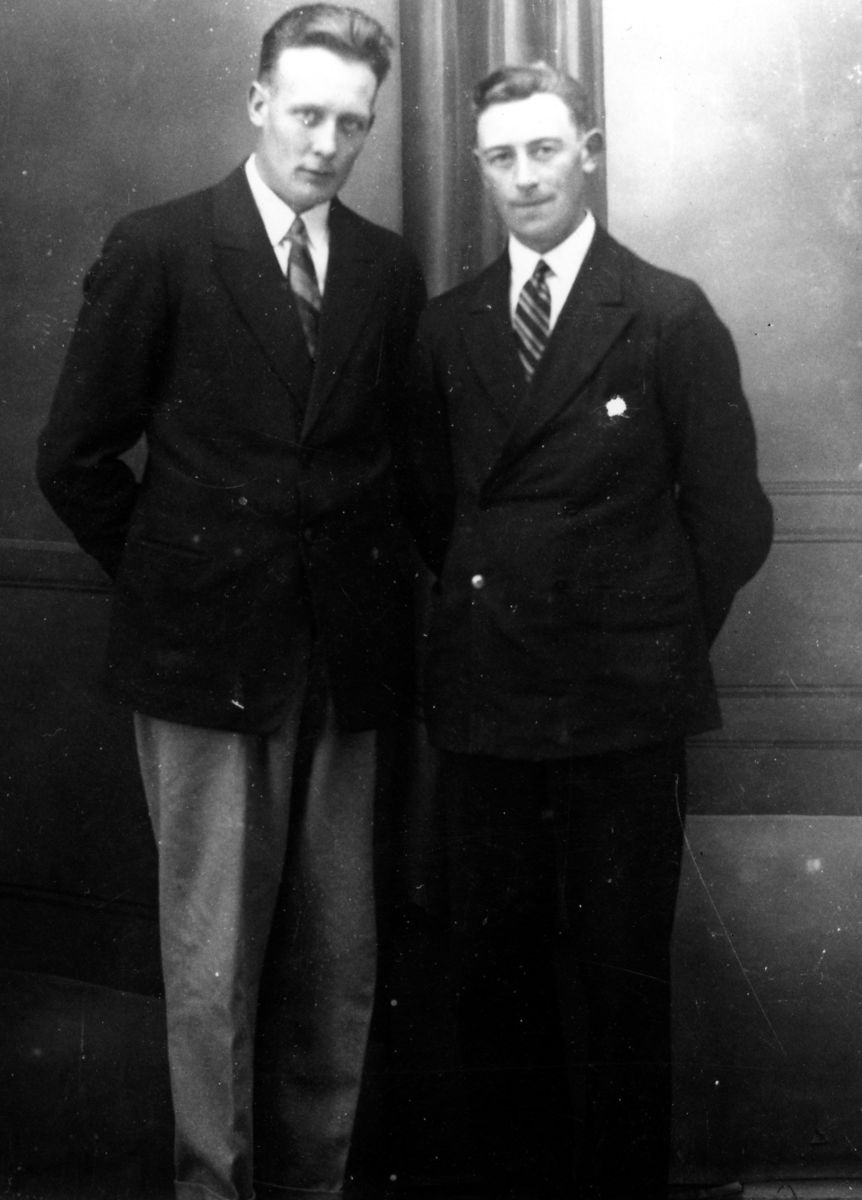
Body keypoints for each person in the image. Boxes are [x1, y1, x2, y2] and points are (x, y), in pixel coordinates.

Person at [36, 7, 425, 1199]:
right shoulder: (160, 247)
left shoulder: (383, 268)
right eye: (305, 114)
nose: (325, 144)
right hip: (204, 665)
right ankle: (214, 1187)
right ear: (257, 104)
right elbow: (73, 459)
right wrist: (179, 584)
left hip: (344, 667)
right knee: (211, 963)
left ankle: (315, 1186)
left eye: (350, 123)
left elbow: (399, 467)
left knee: (337, 961)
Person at [407, 63, 773, 1200]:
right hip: (489, 709)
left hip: (622, 713)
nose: (524, 177)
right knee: (494, 982)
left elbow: (733, 518)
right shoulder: (446, 327)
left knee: (620, 987)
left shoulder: (666, 313)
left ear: (589, 153)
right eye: (501, 157)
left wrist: (643, 632)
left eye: (544, 150)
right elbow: (428, 508)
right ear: (482, 169)